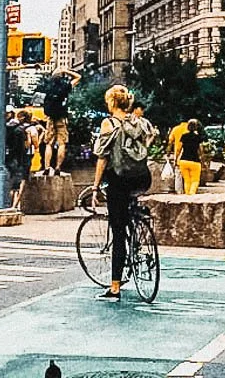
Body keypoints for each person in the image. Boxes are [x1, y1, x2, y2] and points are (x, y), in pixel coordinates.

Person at [92, 84, 155, 301]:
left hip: (119, 180)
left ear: (111, 102)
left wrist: (95, 186)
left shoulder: (108, 124)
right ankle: (138, 233)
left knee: (118, 232)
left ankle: (115, 287)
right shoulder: (140, 122)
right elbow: (149, 140)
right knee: (130, 214)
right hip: (142, 178)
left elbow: (103, 157)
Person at [42, 68, 80, 175]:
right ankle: (58, 167)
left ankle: (47, 167)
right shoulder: (65, 87)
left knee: (49, 143)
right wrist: (66, 71)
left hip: (50, 117)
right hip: (61, 117)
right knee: (62, 143)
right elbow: (78, 77)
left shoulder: (48, 87)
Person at [6, 107, 28, 209]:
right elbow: (26, 145)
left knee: (10, 182)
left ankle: (9, 204)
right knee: (19, 183)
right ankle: (14, 206)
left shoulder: (4, 128)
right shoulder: (20, 130)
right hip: (19, 159)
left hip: (9, 158)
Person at [176, 119, 203, 195]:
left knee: (187, 180)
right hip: (195, 161)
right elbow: (201, 150)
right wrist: (203, 160)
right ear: (196, 128)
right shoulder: (198, 137)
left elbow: (178, 149)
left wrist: (176, 159)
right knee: (195, 180)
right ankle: (192, 194)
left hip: (184, 161)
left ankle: (187, 195)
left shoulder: (184, 136)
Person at [167, 120, 190, 193]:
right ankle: (189, 192)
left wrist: (168, 152)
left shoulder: (175, 129)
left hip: (178, 155)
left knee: (178, 175)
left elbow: (170, 142)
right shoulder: (191, 129)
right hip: (190, 156)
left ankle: (179, 192)